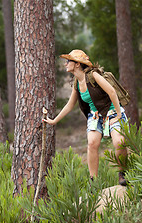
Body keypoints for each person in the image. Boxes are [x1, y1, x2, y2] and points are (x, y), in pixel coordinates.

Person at [43, 49, 128, 186]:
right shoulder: (77, 82)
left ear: (77, 64)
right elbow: (70, 105)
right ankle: (93, 181)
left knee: (119, 142)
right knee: (92, 144)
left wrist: (118, 113)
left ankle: (122, 172)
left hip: (111, 112)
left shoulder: (93, 75)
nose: (65, 64)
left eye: (68, 61)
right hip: (95, 116)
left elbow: (112, 91)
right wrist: (54, 121)